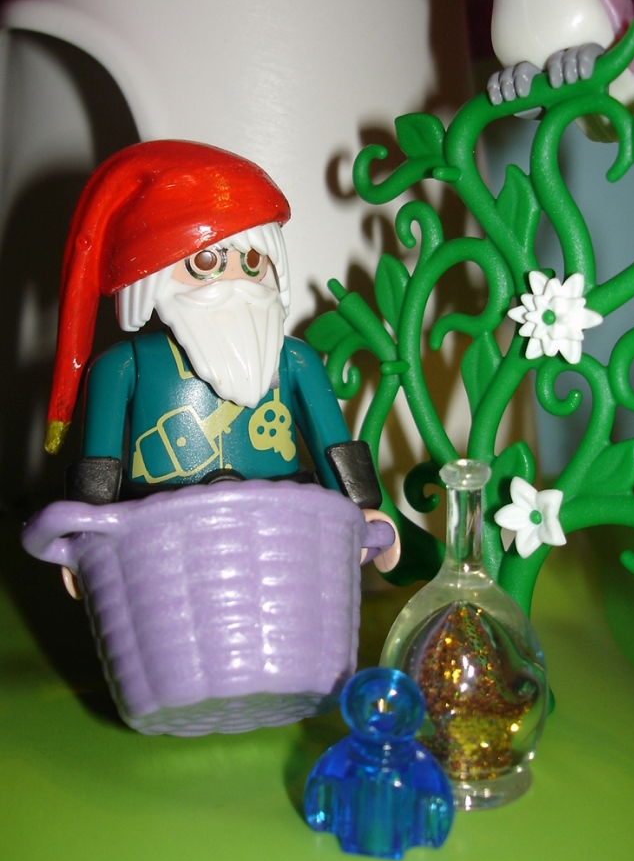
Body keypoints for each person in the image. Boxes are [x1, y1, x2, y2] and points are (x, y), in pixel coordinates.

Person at [45, 140, 398, 595]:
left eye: (251, 261)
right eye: (207, 262)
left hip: (282, 531)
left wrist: (364, 508)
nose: (235, 282)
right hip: (160, 538)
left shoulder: (293, 360)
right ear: (152, 275)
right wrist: (87, 533)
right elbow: (100, 466)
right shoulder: (123, 366)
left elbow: (335, 445)